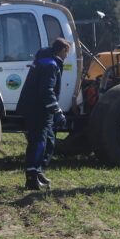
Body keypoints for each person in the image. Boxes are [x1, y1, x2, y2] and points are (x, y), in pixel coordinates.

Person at [17, 37, 71, 191]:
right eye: (67, 52)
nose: (67, 56)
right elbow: (46, 91)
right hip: (38, 110)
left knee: (48, 141)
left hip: (38, 109)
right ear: (62, 50)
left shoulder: (45, 61)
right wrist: (57, 111)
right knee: (38, 143)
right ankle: (31, 177)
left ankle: (38, 171)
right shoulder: (50, 65)